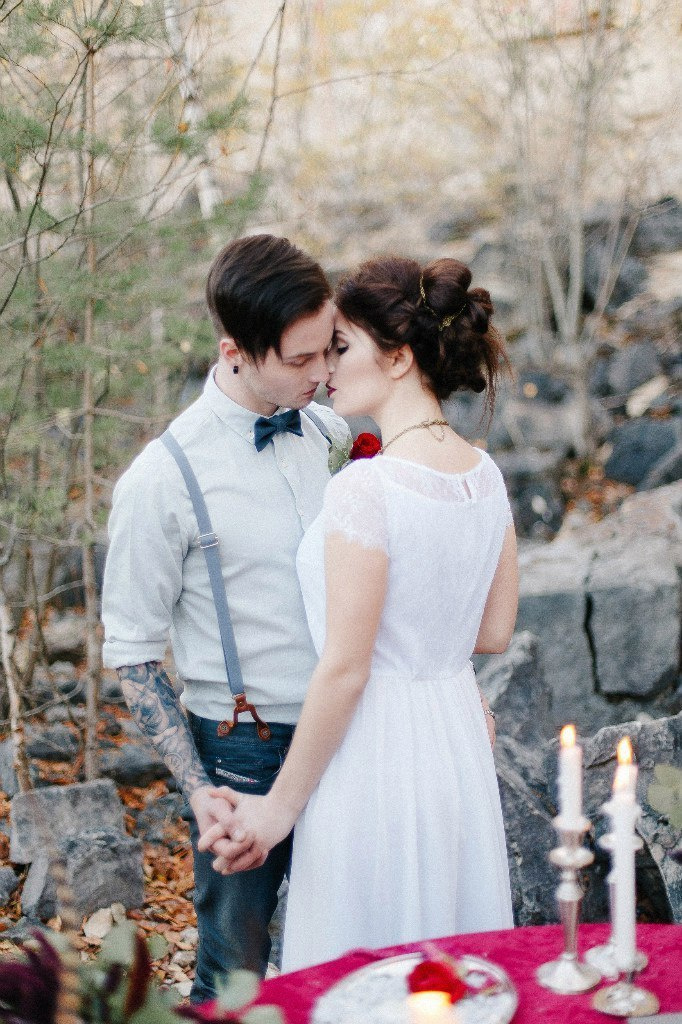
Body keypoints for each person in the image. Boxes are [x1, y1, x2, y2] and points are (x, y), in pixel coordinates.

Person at [199, 255, 519, 972]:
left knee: (362, 970)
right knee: (450, 962)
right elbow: (493, 631)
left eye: (342, 348)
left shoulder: (366, 491)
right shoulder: (484, 472)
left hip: (373, 748)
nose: (326, 370)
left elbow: (345, 669)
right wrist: (423, 645)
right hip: (454, 738)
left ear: (399, 357)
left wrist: (278, 808)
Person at [100, 234, 350, 1002]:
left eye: (330, 350)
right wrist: (197, 784)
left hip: (350, 733)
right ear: (235, 351)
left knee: (347, 954)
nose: (326, 374)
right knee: (235, 978)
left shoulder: (332, 434)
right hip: (244, 754)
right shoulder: (161, 480)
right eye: (302, 360)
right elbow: (133, 654)